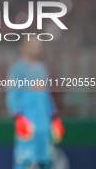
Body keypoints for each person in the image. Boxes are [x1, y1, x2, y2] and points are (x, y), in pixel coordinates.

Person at [6, 37, 64, 169]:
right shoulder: (17, 70)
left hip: (44, 127)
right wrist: (18, 117)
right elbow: (12, 96)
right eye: (33, 44)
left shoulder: (41, 69)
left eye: (38, 44)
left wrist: (54, 117)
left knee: (45, 162)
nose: (37, 47)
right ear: (23, 47)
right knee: (25, 162)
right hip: (28, 126)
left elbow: (46, 96)